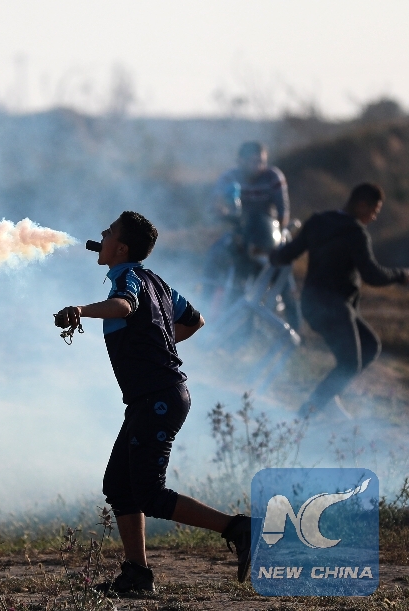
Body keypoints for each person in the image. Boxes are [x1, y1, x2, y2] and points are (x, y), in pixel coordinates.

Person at [54, 211, 257, 593]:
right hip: (153, 397)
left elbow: (124, 306)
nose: (102, 234)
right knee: (119, 485)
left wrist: (80, 310)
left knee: (149, 493)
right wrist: (158, 338)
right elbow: (194, 320)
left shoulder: (127, 279)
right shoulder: (157, 282)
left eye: (109, 231)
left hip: (159, 397)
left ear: (121, 248)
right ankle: (137, 574)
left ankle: (239, 528)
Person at [270, 183, 409, 417]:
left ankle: (328, 397)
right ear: (362, 205)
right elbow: (371, 275)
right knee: (350, 363)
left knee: (369, 346)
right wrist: (401, 275)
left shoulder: (317, 221)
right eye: (374, 211)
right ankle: (305, 415)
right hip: (333, 308)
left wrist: (269, 254)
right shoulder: (356, 233)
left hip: (314, 305)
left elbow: (287, 254)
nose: (374, 217)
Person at [204, 142, 300, 327]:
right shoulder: (230, 178)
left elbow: (283, 211)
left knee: (284, 276)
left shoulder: (273, 177)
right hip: (240, 235)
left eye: (261, 162)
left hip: (267, 235)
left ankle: (295, 328)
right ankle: (204, 306)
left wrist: (280, 235)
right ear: (240, 161)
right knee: (215, 256)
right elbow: (215, 203)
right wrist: (221, 209)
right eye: (253, 161)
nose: (258, 166)